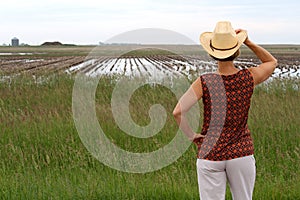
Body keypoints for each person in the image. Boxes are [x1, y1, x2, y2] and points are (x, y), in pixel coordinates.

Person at [173, 21, 277, 200]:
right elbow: (271, 62)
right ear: (236, 51)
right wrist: (248, 41)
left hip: (210, 154)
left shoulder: (204, 82)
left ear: (212, 53)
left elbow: (177, 112)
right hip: (241, 153)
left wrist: (191, 135)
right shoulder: (248, 77)